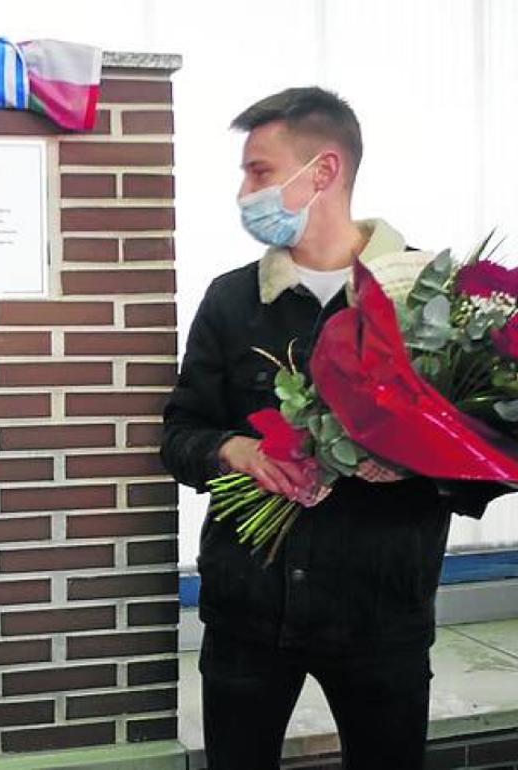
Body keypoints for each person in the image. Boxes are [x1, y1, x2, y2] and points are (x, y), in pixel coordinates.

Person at [161, 87, 505, 769]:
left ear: (321, 171)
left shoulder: (437, 299)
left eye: (258, 171)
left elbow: (490, 459)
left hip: (380, 618)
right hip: (248, 617)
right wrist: (236, 450)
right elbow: (180, 434)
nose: (242, 191)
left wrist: (419, 465)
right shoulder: (232, 300)